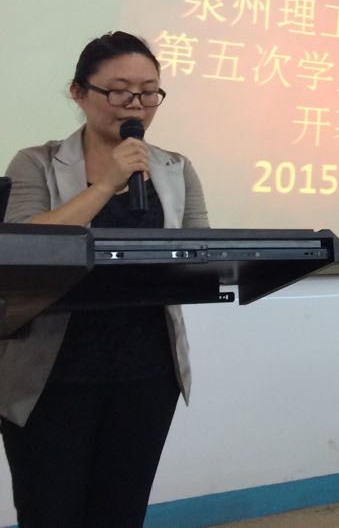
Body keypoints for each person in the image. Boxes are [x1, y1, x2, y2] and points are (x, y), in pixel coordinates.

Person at [0, 31, 209, 526]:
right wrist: (107, 184)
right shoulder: (36, 162)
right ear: (79, 92)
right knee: (50, 513)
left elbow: (202, 251)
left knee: (120, 513)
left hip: (147, 371)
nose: (136, 105)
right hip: (51, 374)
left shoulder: (175, 168)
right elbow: (25, 245)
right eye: (119, 91)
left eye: (149, 92)